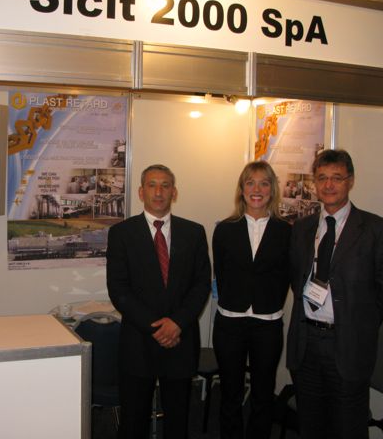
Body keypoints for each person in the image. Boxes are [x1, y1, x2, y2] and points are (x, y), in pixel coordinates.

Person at [286, 149, 383, 439]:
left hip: (348, 346)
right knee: (310, 427)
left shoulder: (377, 230)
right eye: (322, 178)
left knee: (348, 429)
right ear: (314, 182)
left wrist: (357, 323)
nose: (328, 185)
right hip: (306, 343)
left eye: (336, 178)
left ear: (350, 181)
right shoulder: (302, 229)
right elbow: (296, 281)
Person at [107, 164, 211, 439]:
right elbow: (118, 290)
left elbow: (201, 284)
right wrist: (157, 327)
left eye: (165, 185)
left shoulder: (194, 232)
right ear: (141, 192)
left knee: (178, 420)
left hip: (180, 339)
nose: (158, 191)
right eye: (152, 185)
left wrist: (177, 323)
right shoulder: (121, 233)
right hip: (138, 341)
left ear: (174, 192)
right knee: (133, 421)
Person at [212, 161, 291, 439]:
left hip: (267, 323)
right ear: (242, 189)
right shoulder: (225, 229)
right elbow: (221, 273)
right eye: (250, 183)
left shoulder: (286, 231)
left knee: (263, 394)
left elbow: (287, 276)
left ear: (272, 190)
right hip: (230, 322)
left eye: (264, 183)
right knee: (230, 394)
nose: (257, 189)